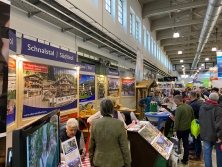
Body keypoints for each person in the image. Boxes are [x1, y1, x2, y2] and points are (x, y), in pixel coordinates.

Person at [89, 99, 131, 167]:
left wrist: (91, 161)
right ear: (112, 109)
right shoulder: (119, 124)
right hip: (116, 162)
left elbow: (91, 146)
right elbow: (124, 147)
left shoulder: (95, 124)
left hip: (98, 161)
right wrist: (127, 164)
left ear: (101, 110)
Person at [199, 93, 222, 167]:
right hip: (216, 135)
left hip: (205, 134)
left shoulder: (202, 106)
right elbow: (219, 124)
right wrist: (220, 136)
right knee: (219, 153)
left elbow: (200, 119)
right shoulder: (218, 109)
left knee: (207, 153)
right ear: (217, 100)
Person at [173, 95, 195, 165]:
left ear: (176, 101)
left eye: (174, 101)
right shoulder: (189, 107)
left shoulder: (179, 109)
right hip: (187, 129)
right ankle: (185, 159)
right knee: (186, 145)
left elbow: (177, 120)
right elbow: (193, 118)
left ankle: (176, 159)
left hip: (180, 130)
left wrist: (174, 130)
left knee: (176, 145)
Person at [187, 91, 202, 161]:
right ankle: (195, 150)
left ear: (190, 97)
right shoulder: (198, 102)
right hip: (197, 122)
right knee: (195, 138)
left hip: (196, 123)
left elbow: (188, 113)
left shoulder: (194, 104)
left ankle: (197, 155)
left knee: (196, 139)